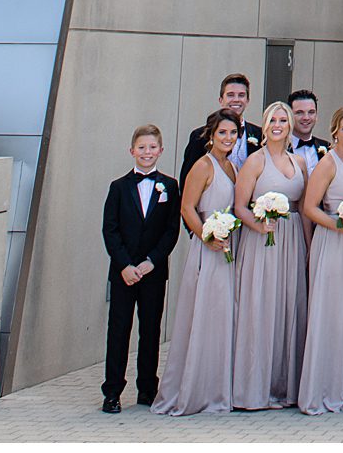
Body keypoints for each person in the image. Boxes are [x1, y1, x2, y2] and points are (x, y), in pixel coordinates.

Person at [153, 111, 240, 415]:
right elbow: (187, 207)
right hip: (207, 247)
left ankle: (216, 387)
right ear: (211, 135)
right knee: (202, 314)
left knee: (222, 316)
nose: (228, 138)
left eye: (233, 133)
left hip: (228, 247)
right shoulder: (203, 166)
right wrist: (206, 236)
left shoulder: (232, 166)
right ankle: (192, 388)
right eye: (222, 132)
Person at [229, 101, 309, 410]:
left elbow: (303, 208)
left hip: (292, 240)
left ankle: (283, 386)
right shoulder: (255, 161)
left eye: (283, 120)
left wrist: (308, 246)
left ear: (290, 126)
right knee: (261, 307)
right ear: (264, 125)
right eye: (272, 120)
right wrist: (259, 226)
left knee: (288, 306)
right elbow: (239, 206)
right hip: (262, 240)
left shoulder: (299, 162)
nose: (278, 125)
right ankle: (254, 387)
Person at [295, 108, 343, 412]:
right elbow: (310, 208)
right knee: (331, 312)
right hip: (333, 241)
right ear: (335, 131)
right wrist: (339, 225)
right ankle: (322, 388)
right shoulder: (327, 163)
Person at [99, 123, 178, 413]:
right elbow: (110, 230)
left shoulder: (170, 186)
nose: (147, 152)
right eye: (142, 147)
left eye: (152, 147)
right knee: (119, 331)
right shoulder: (118, 187)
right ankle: (112, 391)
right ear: (132, 150)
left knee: (150, 330)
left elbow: (171, 230)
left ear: (161, 150)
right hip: (124, 273)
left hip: (153, 272)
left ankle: (147, 388)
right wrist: (125, 265)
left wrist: (151, 262)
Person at [181, 73, 251, 182]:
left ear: (247, 100)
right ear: (221, 100)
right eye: (230, 95)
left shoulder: (260, 135)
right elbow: (186, 181)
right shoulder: (199, 136)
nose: (236, 99)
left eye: (241, 95)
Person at [288, 90, 324, 166]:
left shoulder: (328, 148)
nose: (306, 118)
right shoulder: (279, 148)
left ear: (316, 116)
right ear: (289, 116)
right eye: (299, 112)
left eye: (311, 112)